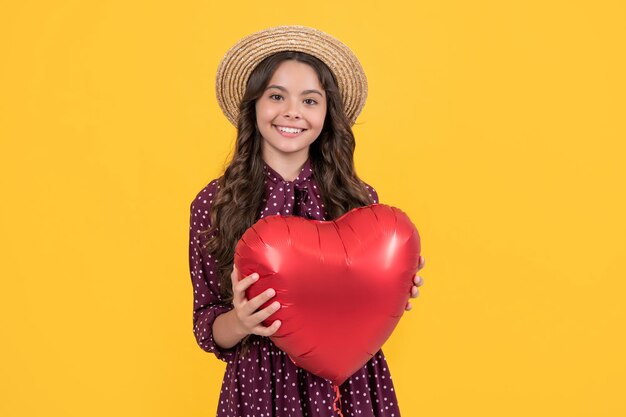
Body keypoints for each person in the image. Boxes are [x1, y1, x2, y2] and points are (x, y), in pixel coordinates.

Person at [188, 25, 426, 417]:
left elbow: (368, 303)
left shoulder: (360, 201)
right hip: (260, 389)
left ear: (327, 113)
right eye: (276, 96)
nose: (292, 112)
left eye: (310, 100)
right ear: (254, 106)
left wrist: (394, 287)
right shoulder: (214, 203)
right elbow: (207, 324)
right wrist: (242, 320)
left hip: (352, 390)